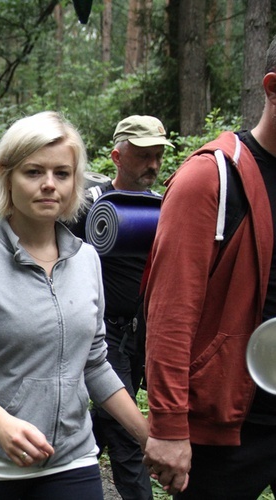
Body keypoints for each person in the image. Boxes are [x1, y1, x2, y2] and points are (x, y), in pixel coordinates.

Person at [0, 111, 149, 499]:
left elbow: (95, 362)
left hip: (71, 460)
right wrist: (0, 423)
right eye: (34, 172)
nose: (49, 185)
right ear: (7, 176)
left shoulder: (87, 259)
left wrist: (148, 435)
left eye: (62, 174)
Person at [141, 36, 276, 499]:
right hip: (227, 426)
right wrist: (169, 424)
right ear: (272, 88)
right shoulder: (210, 178)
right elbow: (170, 314)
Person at [68, 115, 172, 500]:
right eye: (144, 155)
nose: (153, 164)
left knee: (105, 419)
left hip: (140, 334)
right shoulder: (90, 208)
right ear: (117, 156)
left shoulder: (165, 208)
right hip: (100, 334)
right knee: (128, 432)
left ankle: (51, 464)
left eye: (158, 155)